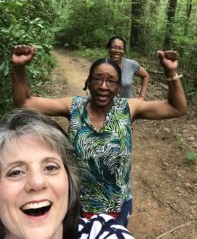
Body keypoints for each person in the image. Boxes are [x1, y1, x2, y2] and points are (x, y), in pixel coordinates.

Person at [11, 45, 187, 227]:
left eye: (111, 81)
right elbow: (24, 102)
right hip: (77, 203)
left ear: (119, 87)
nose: (103, 86)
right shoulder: (73, 107)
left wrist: (171, 71)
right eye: (97, 79)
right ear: (88, 82)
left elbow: (177, 108)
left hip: (117, 204)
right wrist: (19, 67)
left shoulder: (129, 108)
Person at [0, 108, 135, 239]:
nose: (37, 182)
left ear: (70, 180)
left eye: (50, 167)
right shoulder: (75, 105)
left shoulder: (102, 232)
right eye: (16, 172)